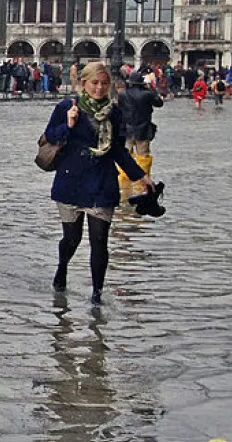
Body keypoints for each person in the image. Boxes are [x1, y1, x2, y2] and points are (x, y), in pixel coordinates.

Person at [43, 62, 152, 304]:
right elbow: (50, 135)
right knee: (72, 239)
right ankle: (62, 267)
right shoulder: (67, 107)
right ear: (84, 83)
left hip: (102, 183)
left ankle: (97, 295)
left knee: (99, 241)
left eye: (104, 83)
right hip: (71, 182)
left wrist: (140, 175)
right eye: (95, 83)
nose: (99, 88)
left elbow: (118, 150)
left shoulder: (114, 112)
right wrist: (68, 125)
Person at [116, 71, 163, 197]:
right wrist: (151, 89)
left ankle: (124, 180)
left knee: (125, 155)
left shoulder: (123, 95)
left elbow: (120, 110)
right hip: (143, 129)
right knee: (143, 155)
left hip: (126, 129)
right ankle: (142, 181)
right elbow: (159, 103)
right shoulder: (147, 94)